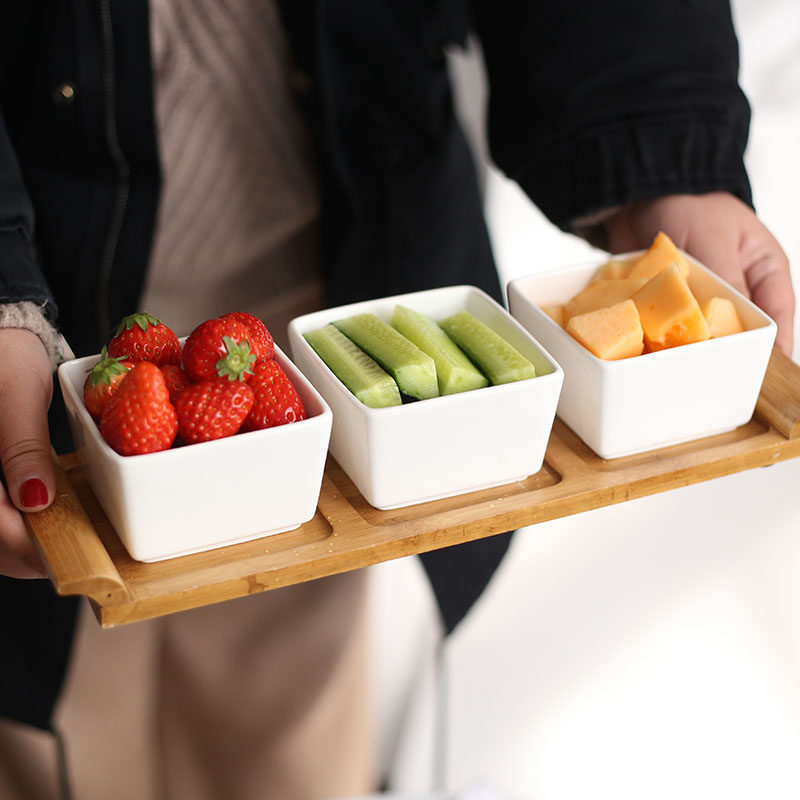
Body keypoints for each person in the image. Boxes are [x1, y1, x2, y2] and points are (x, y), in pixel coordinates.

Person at [0, 0, 793, 798]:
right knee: (47, 720)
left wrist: (658, 139)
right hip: (35, 320)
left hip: (338, 279)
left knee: (291, 733)